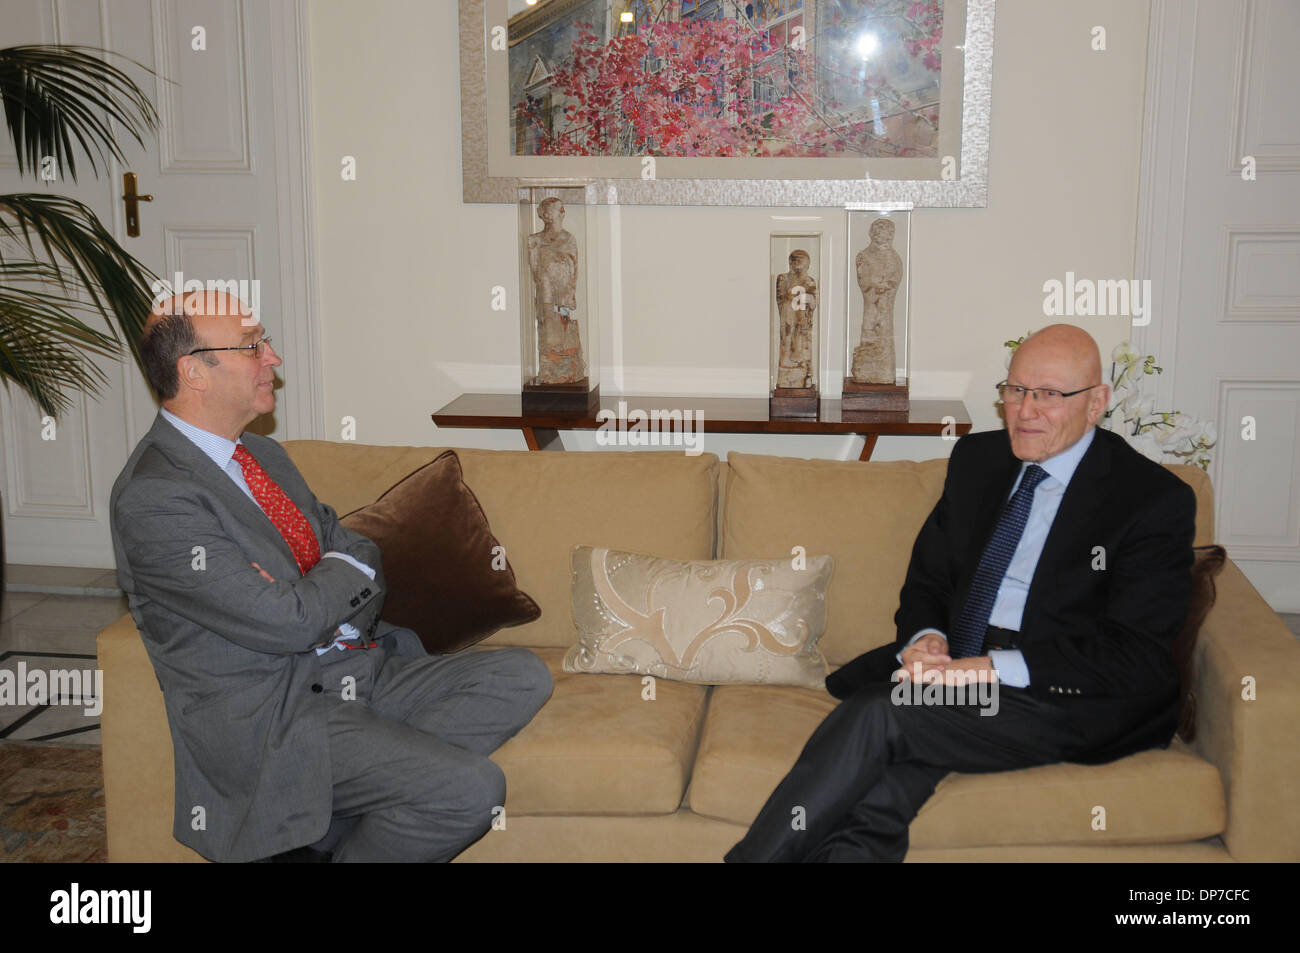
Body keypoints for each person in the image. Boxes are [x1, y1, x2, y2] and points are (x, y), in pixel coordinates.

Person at [725, 323, 1196, 862]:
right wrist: (927, 637)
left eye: (1049, 394)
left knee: (884, 713)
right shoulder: (980, 461)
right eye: (1015, 390)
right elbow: (930, 577)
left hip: (1062, 692)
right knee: (881, 792)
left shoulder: (1150, 500)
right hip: (959, 667)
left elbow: (1133, 654)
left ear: (1096, 403)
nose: (1025, 410)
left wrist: (990, 670)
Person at [110, 290, 552, 863]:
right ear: (194, 371)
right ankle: (351, 799)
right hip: (278, 718)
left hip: (359, 672)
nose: (273, 357)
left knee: (520, 675)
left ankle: (335, 819)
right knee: (470, 790)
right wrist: (324, 582)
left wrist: (319, 581)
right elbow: (285, 622)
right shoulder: (155, 498)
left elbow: (357, 551)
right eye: (252, 346)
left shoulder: (266, 457)